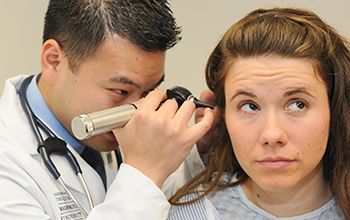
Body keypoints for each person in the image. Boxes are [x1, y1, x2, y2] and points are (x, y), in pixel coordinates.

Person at [0, 0, 214, 219]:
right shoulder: (7, 162)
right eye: (121, 91)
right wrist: (144, 173)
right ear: (54, 61)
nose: (137, 111)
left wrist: (203, 152)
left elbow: (157, 201)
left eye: (149, 91)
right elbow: (140, 194)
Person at [168, 7, 350, 219]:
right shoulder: (191, 214)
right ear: (223, 116)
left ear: (334, 110)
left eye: (297, 104)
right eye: (249, 106)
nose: (272, 135)